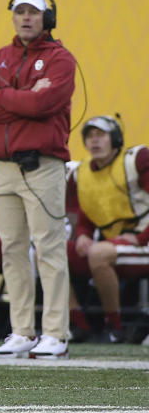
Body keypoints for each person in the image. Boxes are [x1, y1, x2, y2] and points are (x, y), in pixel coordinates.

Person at [0, 0, 74, 359]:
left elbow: (46, 103)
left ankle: (56, 332)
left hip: (42, 166)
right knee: (12, 250)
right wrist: (22, 98)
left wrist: (2, 95)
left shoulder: (61, 59)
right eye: (20, 12)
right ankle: (23, 331)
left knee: (48, 248)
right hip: (1, 167)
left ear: (48, 18)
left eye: (34, 12)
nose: (26, 18)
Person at [69, 116, 149, 344]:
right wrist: (82, 235)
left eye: (100, 135)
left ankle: (114, 327)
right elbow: (87, 213)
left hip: (142, 240)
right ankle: (78, 324)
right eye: (90, 136)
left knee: (99, 253)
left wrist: (141, 238)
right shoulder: (82, 172)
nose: (94, 141)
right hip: (113, 244)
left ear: (115, 138)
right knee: (50, 254)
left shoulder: (137, 160)